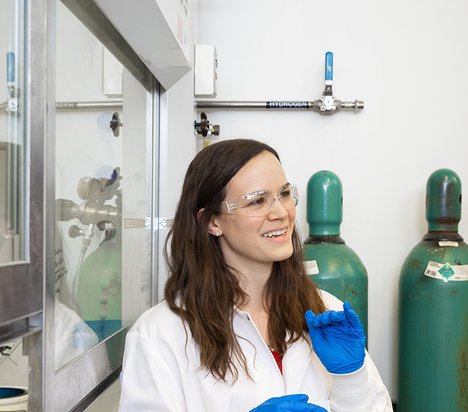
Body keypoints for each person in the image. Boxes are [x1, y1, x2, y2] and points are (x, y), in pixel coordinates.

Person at [119, 139, 392, 411]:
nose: (281, 213)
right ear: (211, 221)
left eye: (284, 194)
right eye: (257, 201)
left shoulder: (324, 311)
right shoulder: (160, 336)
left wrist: (351, 378)